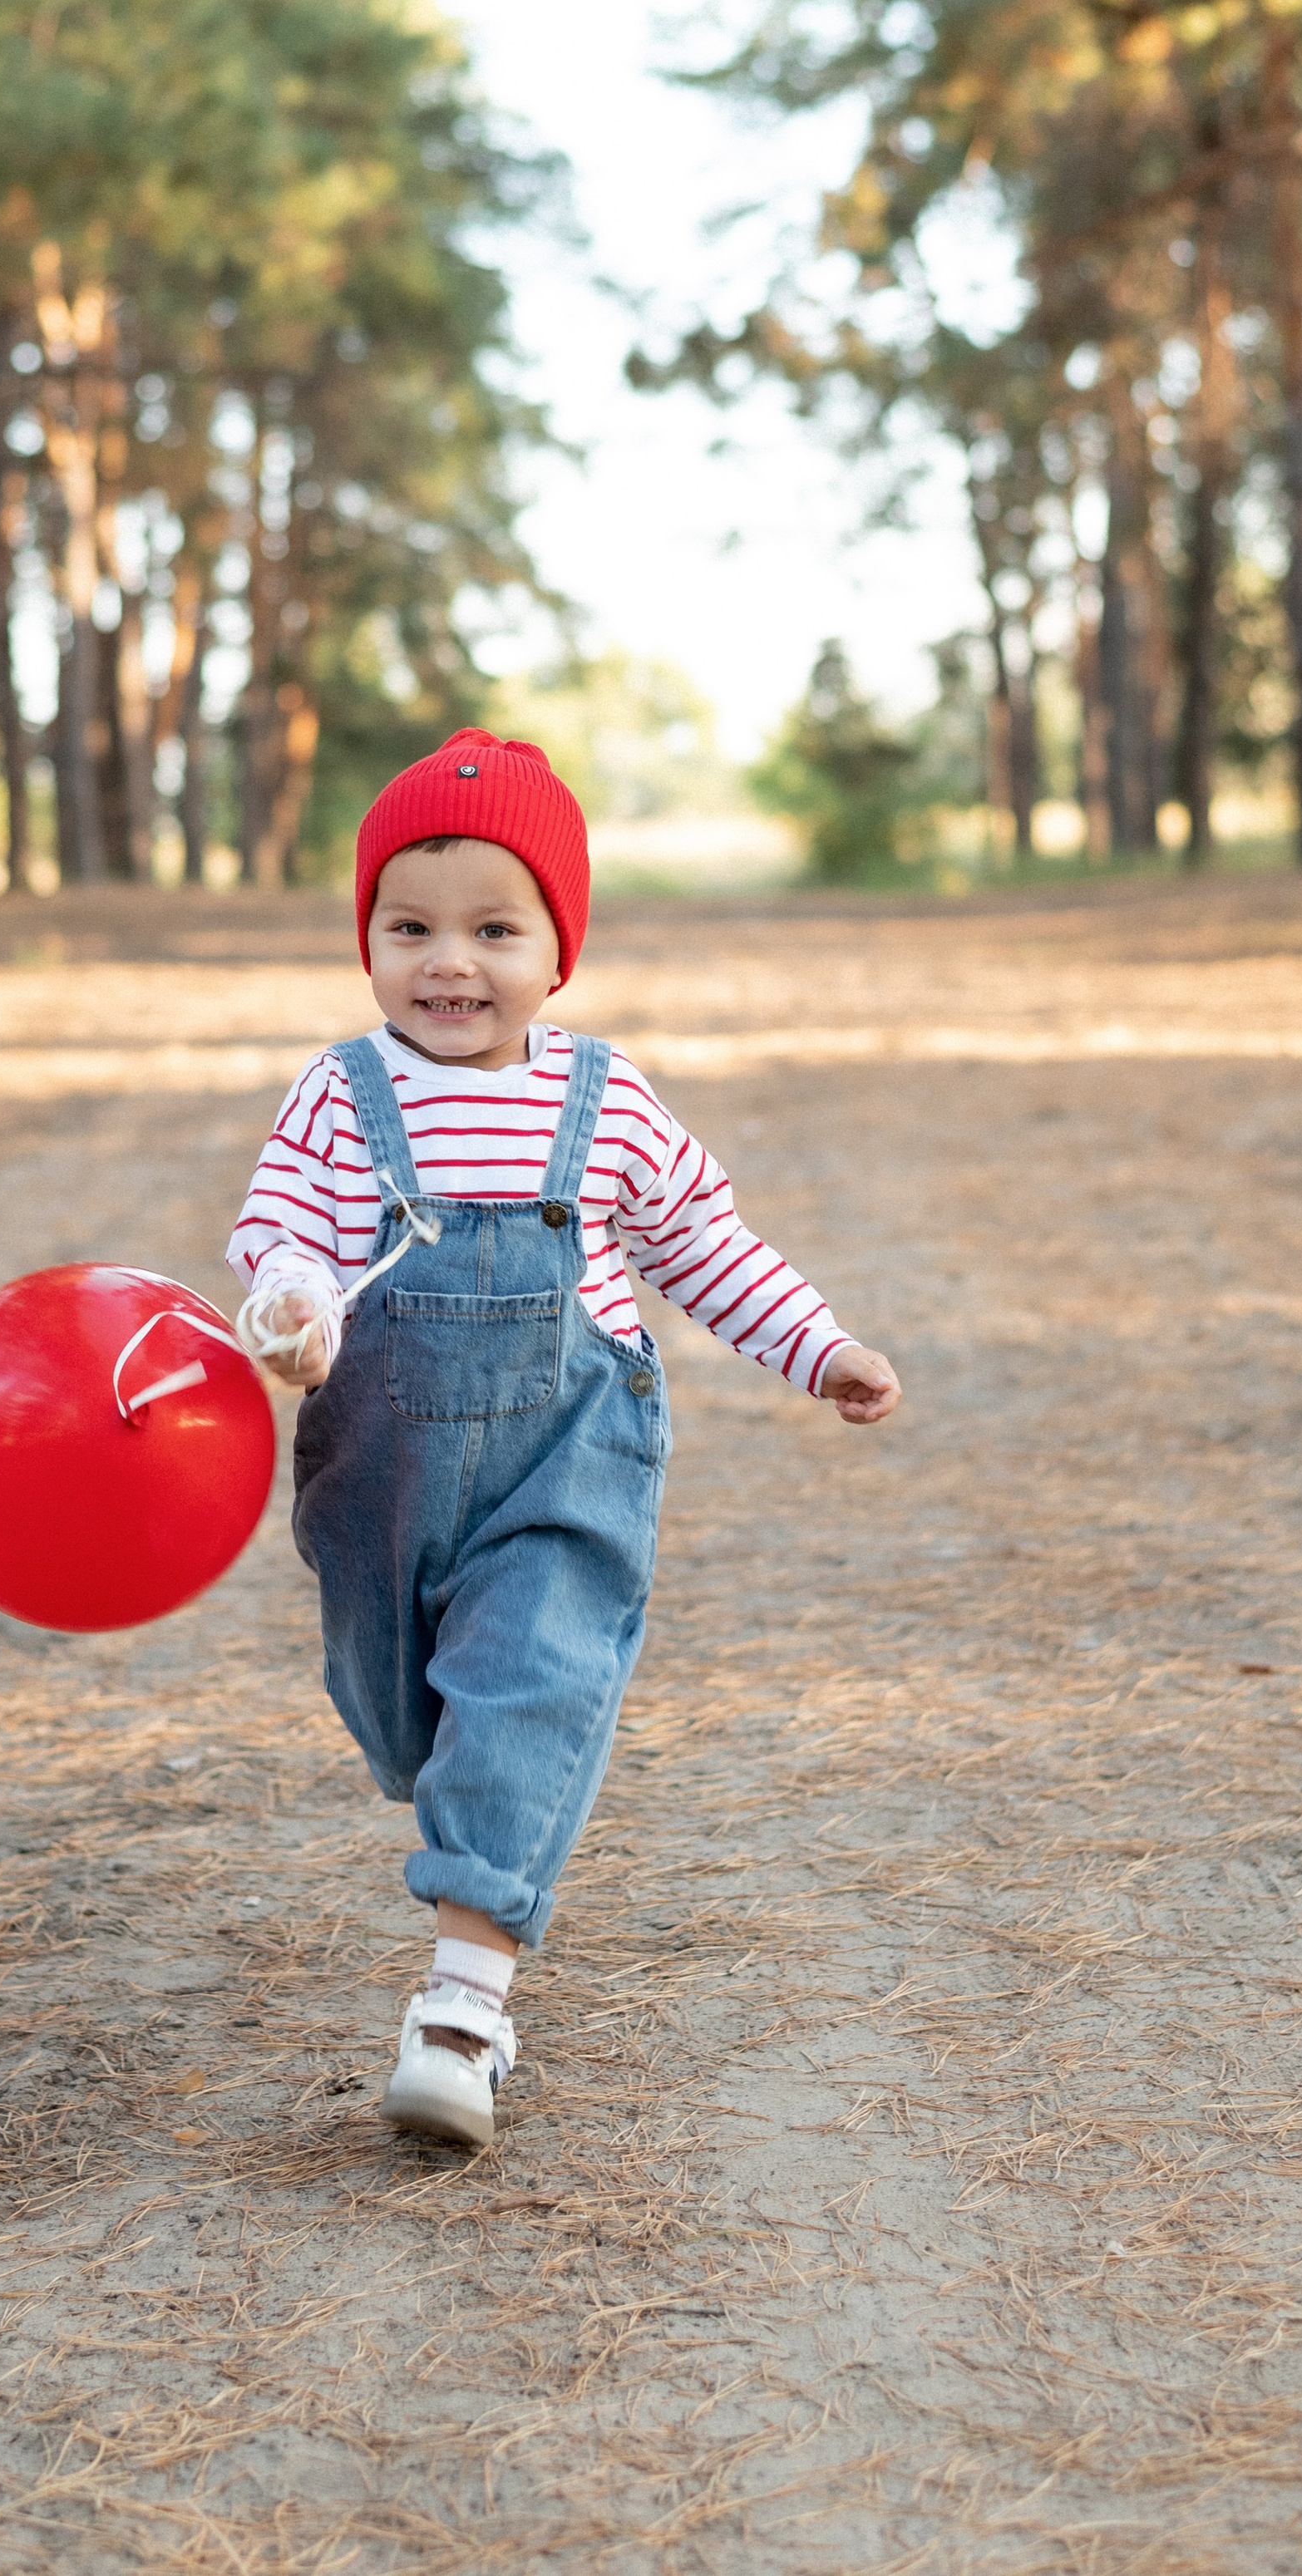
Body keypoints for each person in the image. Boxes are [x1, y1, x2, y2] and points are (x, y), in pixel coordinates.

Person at [226, 728, 900, 2146]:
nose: (447, 963)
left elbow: (706, 1245)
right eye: (408, 927)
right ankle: (452, 1783)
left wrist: (816, 1346)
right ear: (367, 944)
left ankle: (460, 2013)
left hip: (565, 1461)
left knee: (526, 1689)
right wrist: (289, 1298)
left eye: (492, 927)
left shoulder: (607, 1106)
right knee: (406, 1719)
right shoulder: (341, 1097)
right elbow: (281, 1228)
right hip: (385, 1473)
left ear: (558, 950)